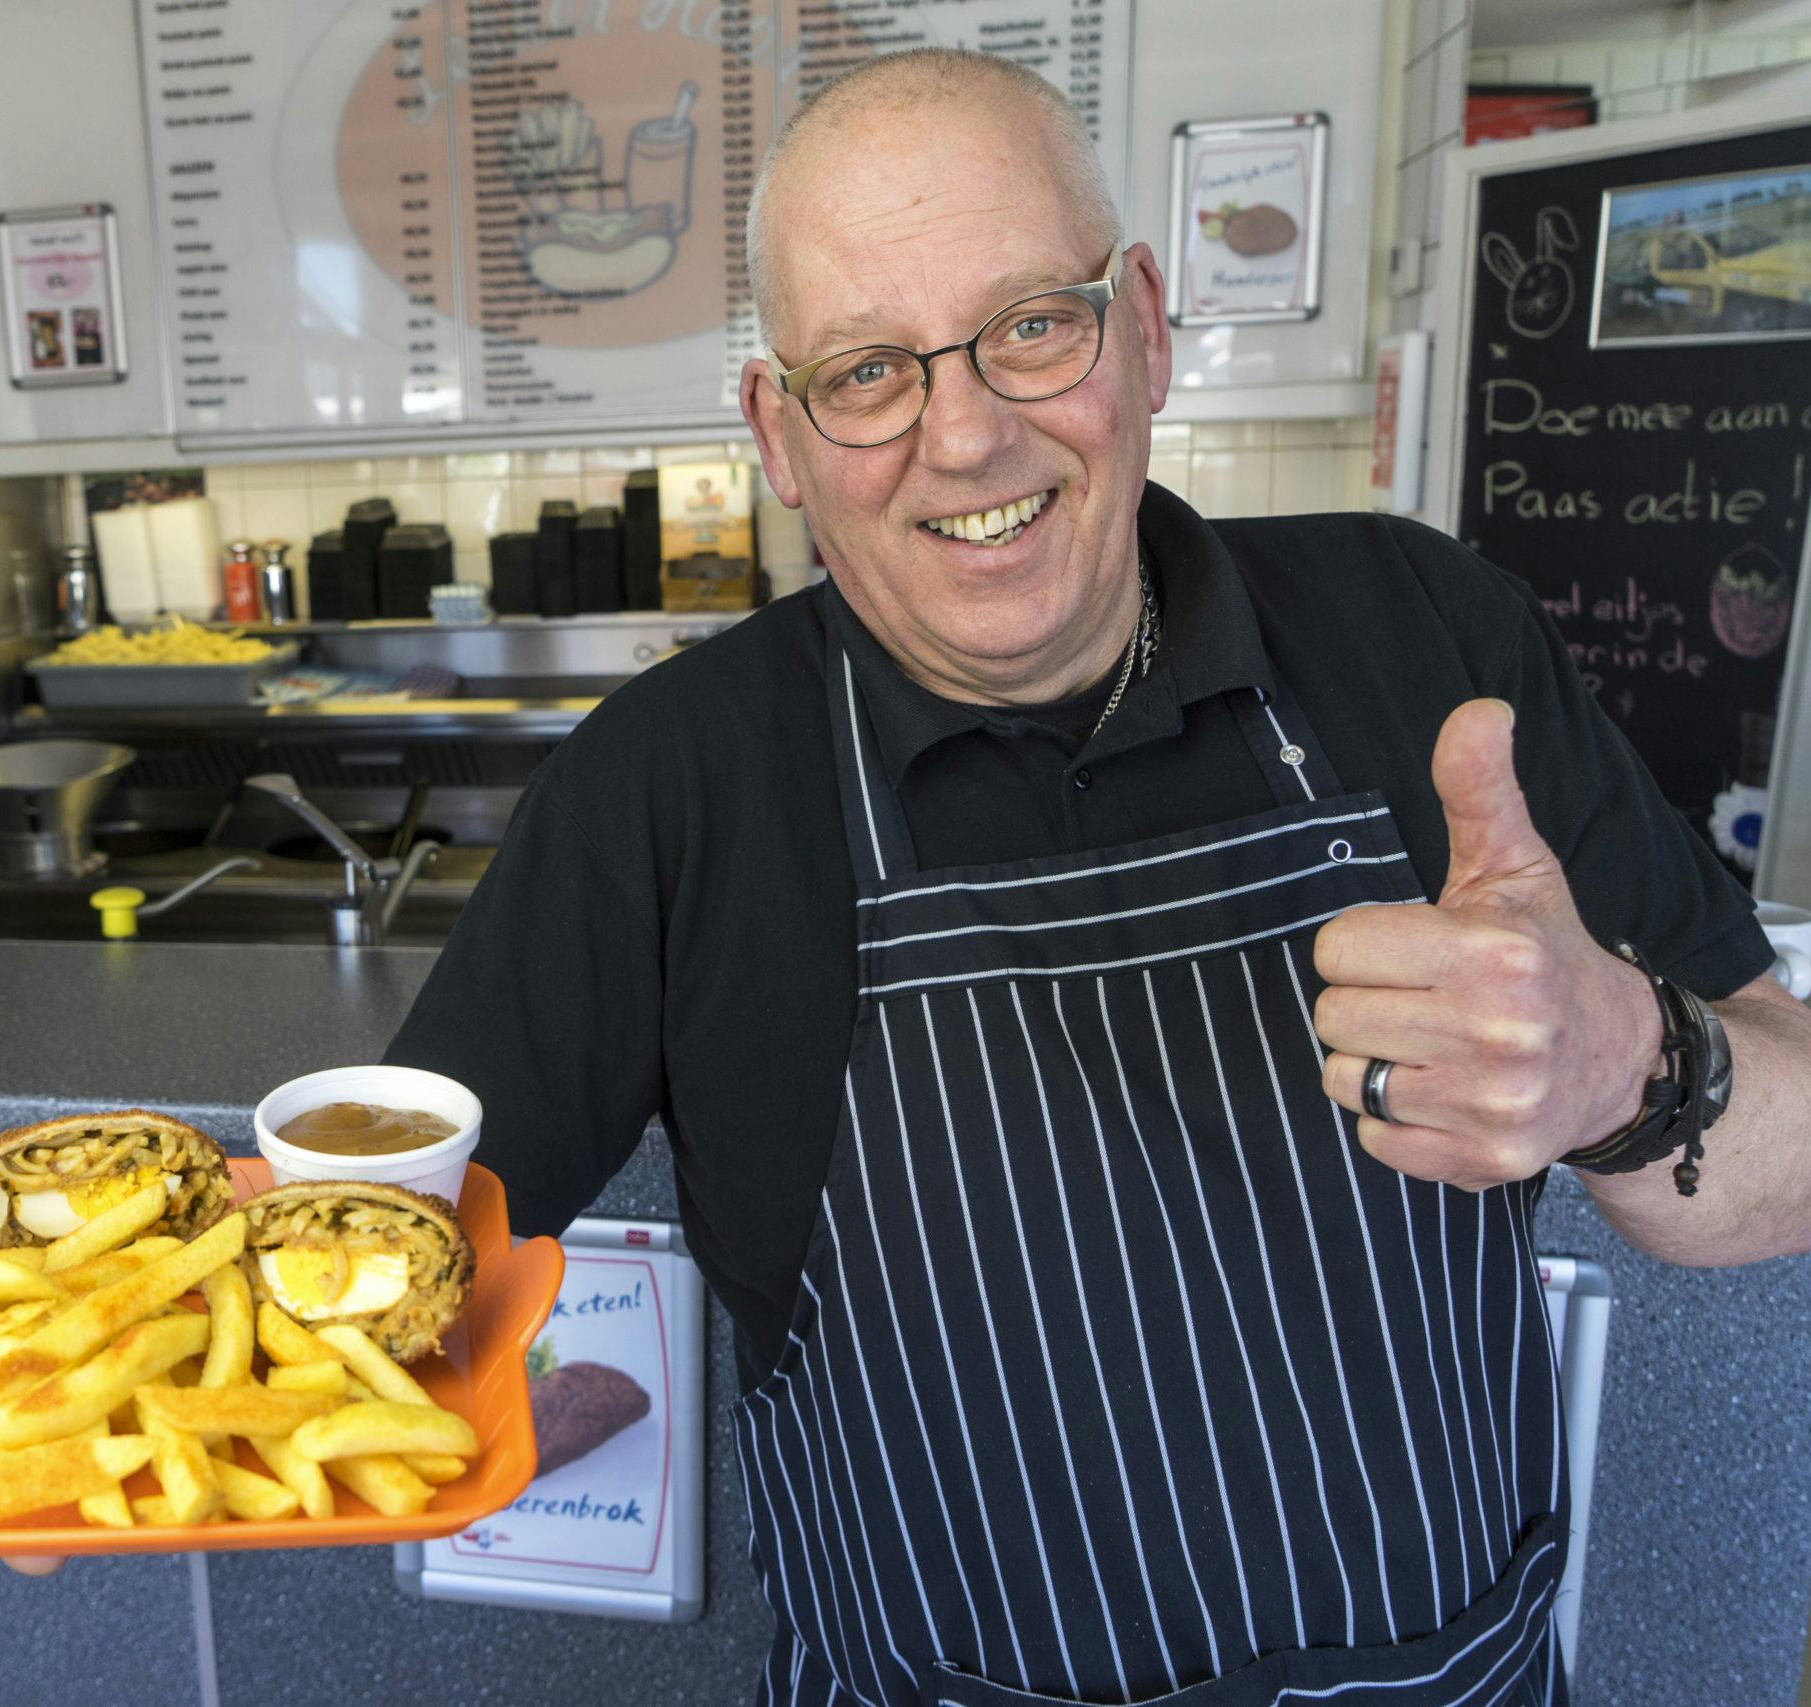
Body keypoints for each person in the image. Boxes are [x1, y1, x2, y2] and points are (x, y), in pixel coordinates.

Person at [385, 47, 1811, 1707]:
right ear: (781, 432)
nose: (969, 434)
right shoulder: (669, 787)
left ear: (1142, 320)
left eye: (1032, 327)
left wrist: (1622, 1058)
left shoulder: (1422, 635)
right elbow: (368, 1271)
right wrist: (66, 1407)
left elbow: (1782, 1167)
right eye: (866, 372)